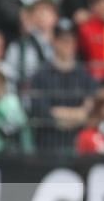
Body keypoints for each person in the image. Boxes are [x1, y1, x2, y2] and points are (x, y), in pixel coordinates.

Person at [29, 22, 96, 152]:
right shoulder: (40, 75)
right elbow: (41, 112)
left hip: (80, 146)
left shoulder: (85, 75)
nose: (67, 44)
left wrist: (59, 113)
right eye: (63, 40)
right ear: (53, 41)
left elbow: (90, 110)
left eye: (71, 40)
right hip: (48, 145)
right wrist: (77, 115)